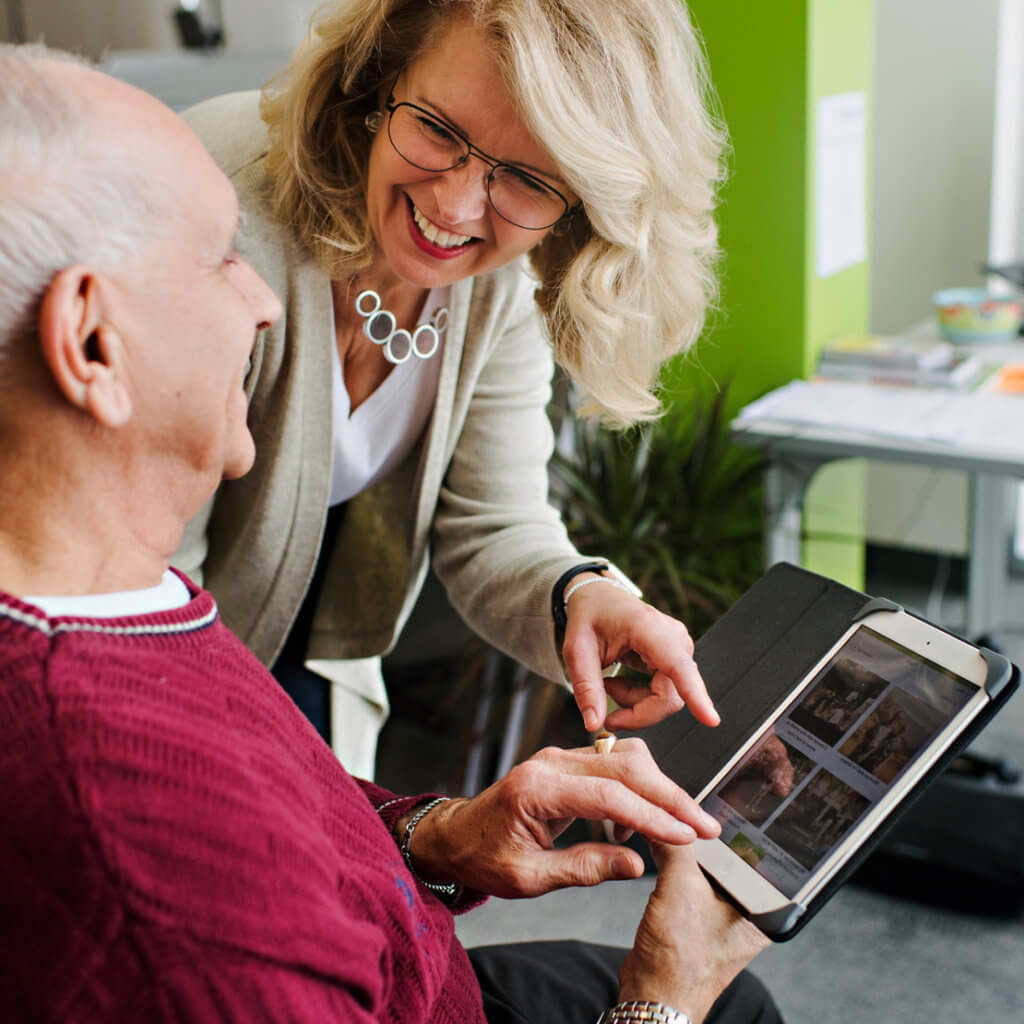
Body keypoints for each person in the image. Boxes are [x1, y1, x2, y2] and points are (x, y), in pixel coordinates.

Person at [0, 47, 781, 1024]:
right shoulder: (177, 868)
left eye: (527, 178)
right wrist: (659, 1002)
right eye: (220, 262)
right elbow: (176, 765)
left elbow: (217, 720)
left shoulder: (141, 619)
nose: (262, 307)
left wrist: (431, 835)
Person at [174, 0, 729, 776]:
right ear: (378, 81)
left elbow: (492, 526)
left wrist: (582, 597)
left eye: (529, 180)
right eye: (438, 130)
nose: (455, 206)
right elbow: (144, 576)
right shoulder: (220, 217)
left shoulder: (501, 286)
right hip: (153, 661)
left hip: (299, 656)